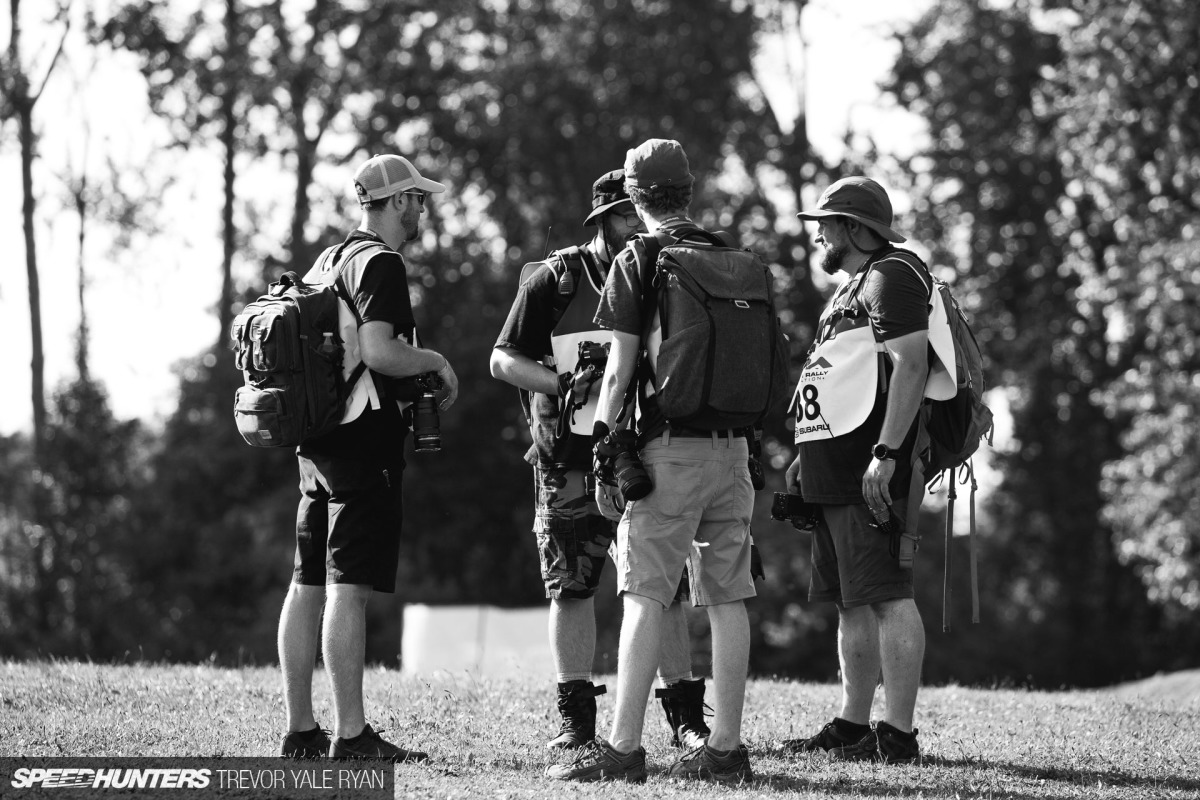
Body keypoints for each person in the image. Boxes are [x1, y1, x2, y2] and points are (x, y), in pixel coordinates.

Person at [548, 140, 756, 785]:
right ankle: (723, 748)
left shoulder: (640, 256)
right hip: (736, 452)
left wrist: (606, 442)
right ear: (688, 191)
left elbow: (619, 368)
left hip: (670, 451)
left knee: (643, 593)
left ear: (635, 198)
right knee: (727, 599)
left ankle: (622, 748)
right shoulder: (731, 256)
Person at [490, 169, 710, 752]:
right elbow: (502, 359)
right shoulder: (557, 277)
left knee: (663, 588)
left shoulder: (662, 268)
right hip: (566, 456)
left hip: (645, 451)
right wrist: (562, 384)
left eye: (637, 213)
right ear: (600, 221)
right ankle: (577, 720)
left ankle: (686, 719)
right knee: (571, 586)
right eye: (622, 216)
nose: (634, 224)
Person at [277, 153, 459, 762]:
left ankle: (301, 730)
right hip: (362, 443)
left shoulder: (329, 259)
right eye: (419, 199)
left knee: (305, 586)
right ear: (399, 201)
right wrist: (434, 362)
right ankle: (351, 736)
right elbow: (380, 352)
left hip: (317, 442)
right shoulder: (380, 263)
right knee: (344, 590)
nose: (423, 210)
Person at [781, 176, 930, 764]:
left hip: (871, 469)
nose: (818, 232)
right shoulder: (853, 288)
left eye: (826, 222)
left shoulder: (893, 274)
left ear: (853, 228)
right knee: (850, 600)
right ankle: (852, 724)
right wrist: (803, 453)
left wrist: (887, 455)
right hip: (833, 470)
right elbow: (839, 379)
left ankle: (896, 733)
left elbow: (911, 365)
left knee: (889, 595)